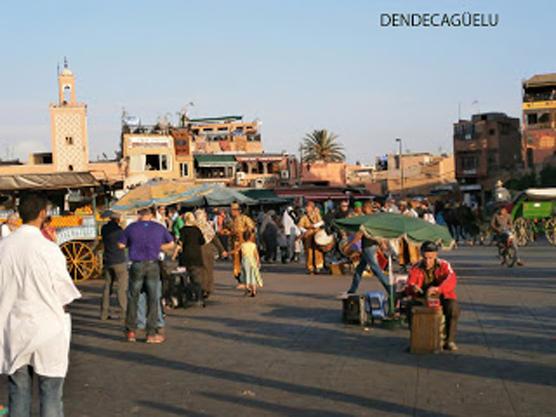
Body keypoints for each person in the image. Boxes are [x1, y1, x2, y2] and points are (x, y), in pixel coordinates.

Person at [0, 193, 81, 417]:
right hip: (48, 328)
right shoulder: (48, 249)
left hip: (13, 328)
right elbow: (64, 293)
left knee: (18, 392)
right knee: (51, 393)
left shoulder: (3, 247)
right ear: (43, 214)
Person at [119, 207, 174, 344]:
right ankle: (151, 333)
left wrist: (132, 244)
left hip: (136, 264)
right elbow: (171, 244)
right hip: (152, 264)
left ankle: (131, 331)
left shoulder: (131, 228)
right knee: (153, 298)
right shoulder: (158, 227)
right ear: (151, 215)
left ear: (139, 214)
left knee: (133, 297)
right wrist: (158, 247)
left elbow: (120, 245)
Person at [406, 241, 460, 351]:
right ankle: (416, 339)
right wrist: (413, 288)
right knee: (410, 307)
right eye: (425, 258)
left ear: (436, 255)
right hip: (422, 297)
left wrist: (438, 289)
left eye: (430, 258)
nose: (427, 261)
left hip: (442, 296)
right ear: (421, 255)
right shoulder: (416, 267)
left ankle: (449, 340)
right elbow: (409, 284)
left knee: (453, 307)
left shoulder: (444, 265)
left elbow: (452, 279)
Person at [100, 212, 128, 321]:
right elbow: (124, 244)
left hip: (107, 260)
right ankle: (123, 313)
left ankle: (104, 313)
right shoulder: (120, 231)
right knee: (121, 288)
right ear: (118, 219)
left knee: (107, 287)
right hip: (119, 261)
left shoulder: (104, 229)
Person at [194, 209, 227, 298]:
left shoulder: (195, 226)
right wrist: (222, 250)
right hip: (208, 250)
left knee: (201, 270)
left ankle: (202, 288)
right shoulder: (207, 226)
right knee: (209, 270)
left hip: (198, 250)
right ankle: (208, 288)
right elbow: (214, 239)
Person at [223, 202, 255, 286]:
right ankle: (240, 280)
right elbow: (230, 231)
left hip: (244, 243)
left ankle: (248, 280)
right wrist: (228, 232)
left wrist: (248, 239)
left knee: (246, 262)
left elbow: (252, 229)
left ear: (239, 211)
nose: (232, 212)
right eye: (231, 210)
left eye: (234, 210)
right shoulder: (231, 221)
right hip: (235, 244)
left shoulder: (245, 218)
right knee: (236, 264)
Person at [178, 212, 207, 306]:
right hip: (196, 255)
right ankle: (199, 298)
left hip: (185, 256)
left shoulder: (182, 230)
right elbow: (202, 241)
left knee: (185, 278)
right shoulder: (197, 229)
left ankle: (188, 297)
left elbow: (180, 243)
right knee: (196, 278)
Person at [298, 201, 325, 274]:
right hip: (308, 236)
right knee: (309, 251)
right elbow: (300, 226)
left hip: (316, 234)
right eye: (307, 207)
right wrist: (305, 231)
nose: (307, 208)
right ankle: (310, 267)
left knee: (317, 251)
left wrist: (314, 226)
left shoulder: (316, 215)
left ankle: (318, 266)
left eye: (308, 207)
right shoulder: (304, 217)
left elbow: (322, 222)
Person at [240, 230, 262, 297]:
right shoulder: (253, 245)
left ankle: (247, 288)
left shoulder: (242, 245)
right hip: (252, 261)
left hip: (245, 261)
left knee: (246, 274)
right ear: (250, 237)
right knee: (253, 275)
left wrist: (228, 253)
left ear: (243, 237)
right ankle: (254, 291)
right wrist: (258, 261)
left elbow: (237, 251)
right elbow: (256, 254)